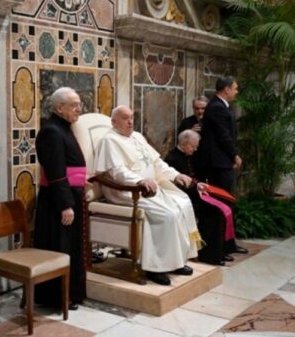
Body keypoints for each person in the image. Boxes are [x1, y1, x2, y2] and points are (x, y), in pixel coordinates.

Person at [93, 106, 203, 286]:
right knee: (167, 216)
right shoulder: (109, 141)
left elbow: (157, 163)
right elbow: (117, 172)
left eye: (131, 117)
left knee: (182, 205)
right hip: (126, 191)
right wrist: (139, 181)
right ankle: (155, 267)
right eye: (124, 118)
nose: (130, 122)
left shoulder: (137, 137)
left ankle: (176, 261)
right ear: (113, 122)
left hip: (150, 188)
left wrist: (176, 175)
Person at [34, 87, 86, 310]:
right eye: (74, 105)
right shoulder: (52, 131)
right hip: (58, 203)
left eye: (79, 104)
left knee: (71, 248)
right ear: (59, 108)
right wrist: (65, 204)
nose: (79, 109)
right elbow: (56, 172)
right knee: (60, 248)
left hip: (70, 196)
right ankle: (57, 298)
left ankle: (70, 295)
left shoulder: (63, 127)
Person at [196, 76, 247, 255]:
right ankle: (219, 246)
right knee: (221, 205)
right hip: (216, 165)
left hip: (221, 162)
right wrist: (233, 155)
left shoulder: (220, 106)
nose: (236, 91)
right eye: (235, 88)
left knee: (226, 204)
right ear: (226, 89)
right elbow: (223, 136)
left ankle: (226, 244)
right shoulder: (217, 107)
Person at [165, 130, 226, 266]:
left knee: (217, 208)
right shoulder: (172, 158)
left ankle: (216, 253)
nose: (195, 149)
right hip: (182, 198)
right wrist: (196, 188)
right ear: (185, 144)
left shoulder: (189, 155)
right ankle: (207, 254)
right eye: (193, 146)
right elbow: (177, 185)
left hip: (194, 194)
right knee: (212, 212)